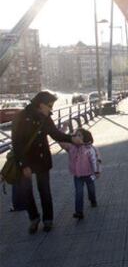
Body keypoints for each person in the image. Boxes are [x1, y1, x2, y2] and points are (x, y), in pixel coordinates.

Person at [11, 91, 83, 234]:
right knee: (27, 192)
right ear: (41, 104)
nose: (51, 109)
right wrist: (24, 165)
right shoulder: (20, 117)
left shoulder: (46, 118)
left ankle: (48, 220)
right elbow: (16, 143)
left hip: (42, 159)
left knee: (44, 190)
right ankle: (34, 219)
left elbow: (56, 134)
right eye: (49, 106)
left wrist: (71, 139)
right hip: (26, 160)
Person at [59, 127, 101, 220]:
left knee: (91, 189)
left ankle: (93, 200)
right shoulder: (71, 147)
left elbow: (95, 160)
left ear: (85, 137)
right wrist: (63, 129)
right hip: (77, 176)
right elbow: (60, 140)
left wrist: (97, 171)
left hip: (89, 174)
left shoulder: (89, 148)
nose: (76, 137)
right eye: (75, 135)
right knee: (79, 192)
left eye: (79, 135)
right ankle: (79, 212)